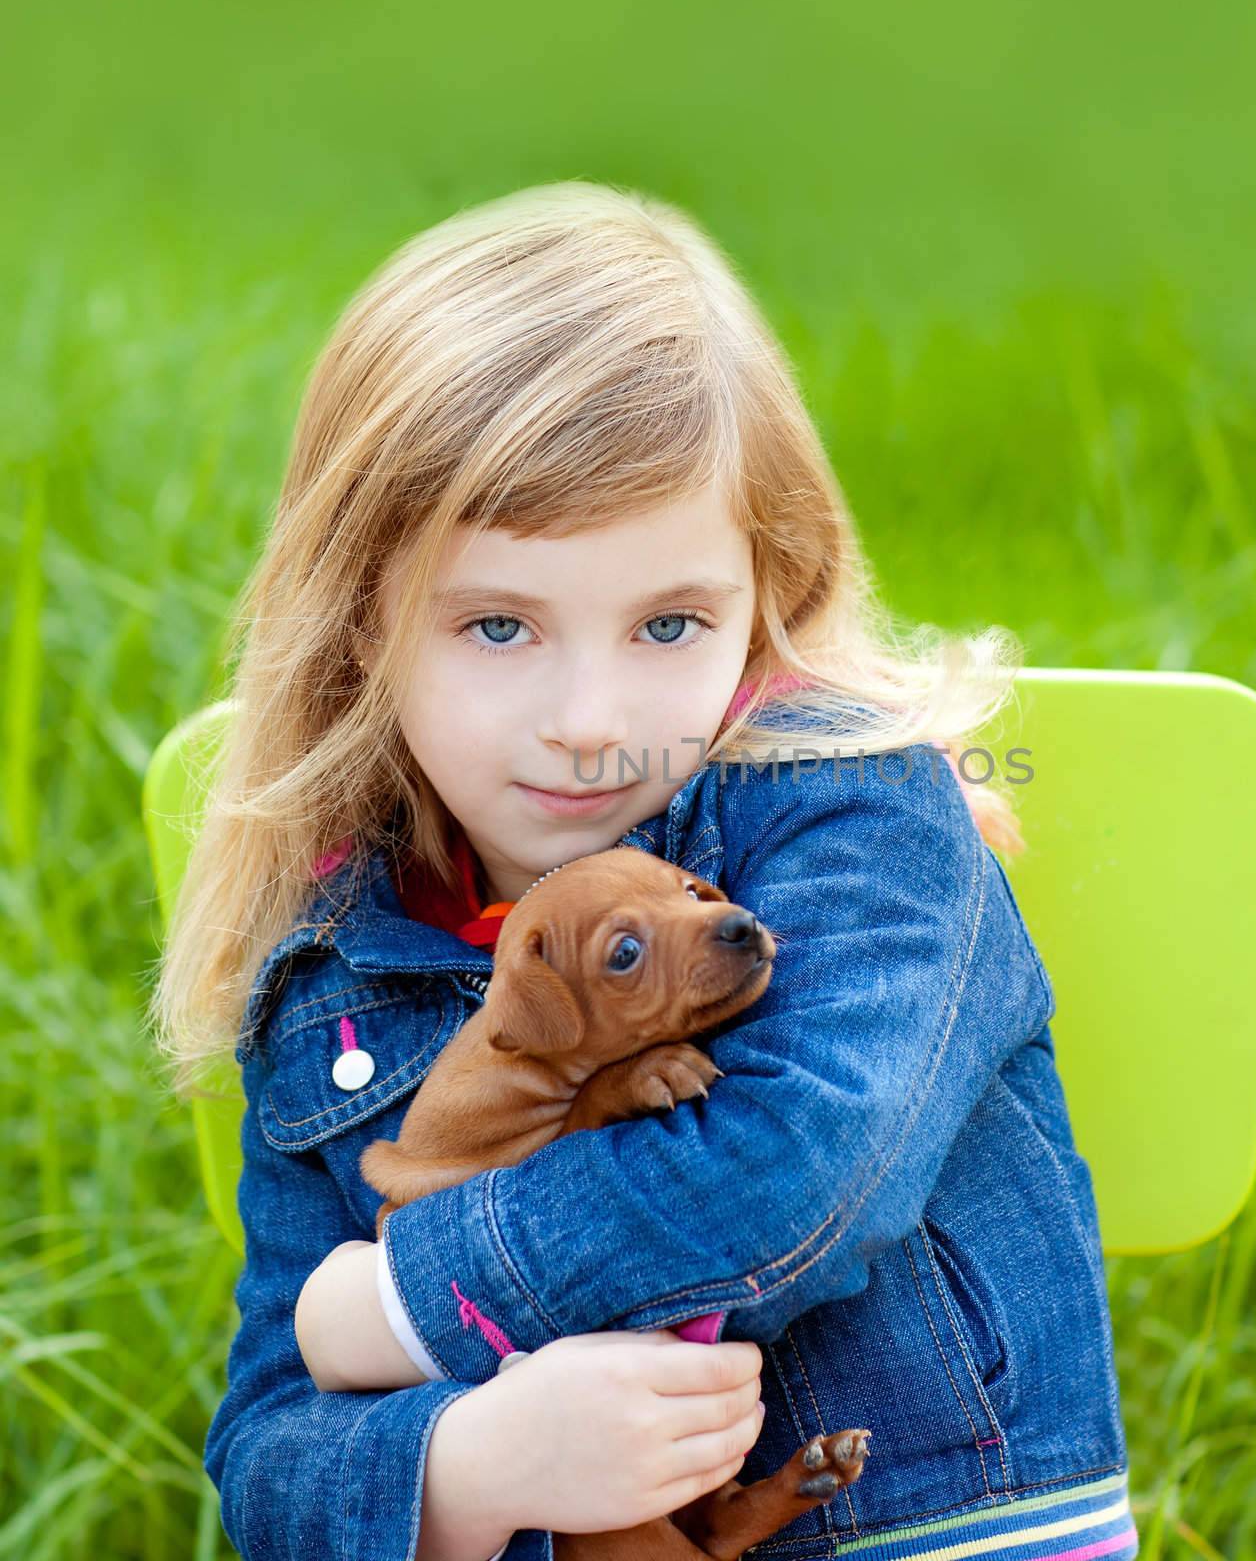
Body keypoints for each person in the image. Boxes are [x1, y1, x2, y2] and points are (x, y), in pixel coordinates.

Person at [149, 181, 1138, 1561]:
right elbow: (268, 1459)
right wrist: (473, 1469)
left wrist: (402, 1308)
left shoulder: (847, 805)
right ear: (361, 622)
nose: (592, 718)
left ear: (766, 586)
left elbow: (803, 1173)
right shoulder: (330, 965)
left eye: (670, 622)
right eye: (499, 627)